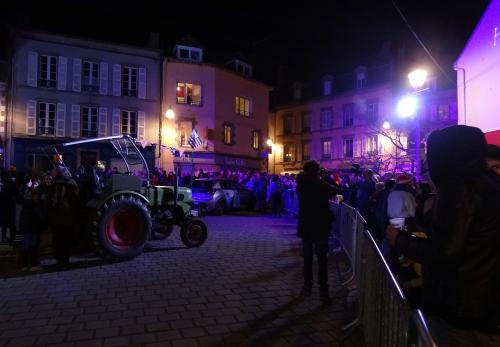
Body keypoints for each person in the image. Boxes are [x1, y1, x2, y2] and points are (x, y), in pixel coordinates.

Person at [387, 125, 500, 346]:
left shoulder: (457, 186)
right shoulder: (492, 184)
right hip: (487, 307)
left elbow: (444, 250)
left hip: (459, 307)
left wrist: (400, 241)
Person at [296, 160, 338, 303]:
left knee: (307, 259)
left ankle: (307, 286)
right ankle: (323, 291)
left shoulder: (300, 185)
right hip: (320, 226)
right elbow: (335, 189)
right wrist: (326, 177)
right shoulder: (321, 185)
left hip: (306, 225)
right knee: (322, 260)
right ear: (317, 171)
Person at [48, 165, 79, 269]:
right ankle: (62, 261)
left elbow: (56, 201)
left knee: (61, 240)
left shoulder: (64, 184)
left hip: (63, 216)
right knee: (61, 240)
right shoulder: (67, 183)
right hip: (63, 217)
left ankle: (62, 262)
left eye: (54, 172)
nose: (52, 173)